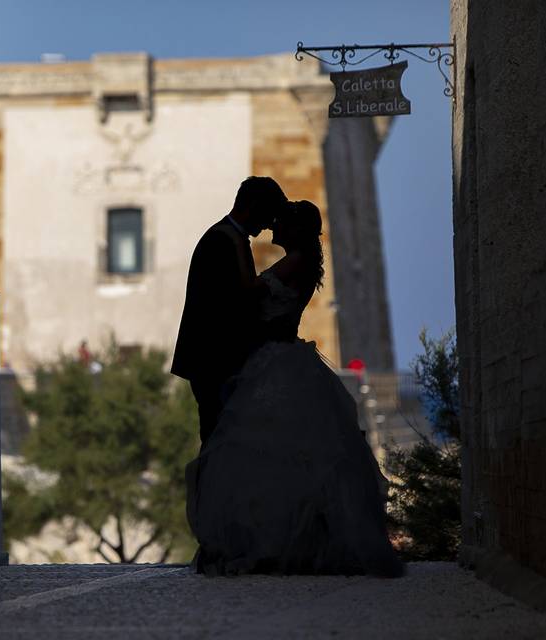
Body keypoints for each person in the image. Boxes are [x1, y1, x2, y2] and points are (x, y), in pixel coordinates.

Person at [185, 200, 404, 578]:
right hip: (282, 360)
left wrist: (239, 247)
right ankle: (284, 542)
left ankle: (270, 544)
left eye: (281, 223)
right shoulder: (303, 262)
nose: (273, 229)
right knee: (286, 456)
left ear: (296, 229)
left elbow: (251, 293)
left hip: (276, 361)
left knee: (266, 454)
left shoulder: (294, 261)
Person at [171, 176, 289, 446]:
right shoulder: (222, 241)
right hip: (215, 359)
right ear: (254, 206)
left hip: (216, 360)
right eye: (267, 215)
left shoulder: (227, 237)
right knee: (219, 440)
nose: (268, 225)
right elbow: (228, 304)